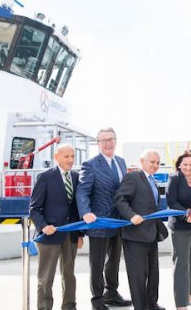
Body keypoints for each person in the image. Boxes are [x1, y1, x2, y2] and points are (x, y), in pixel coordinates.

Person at [76, 128, 132, 310]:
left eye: (111, 139)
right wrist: (85, 212)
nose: (108, 143)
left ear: (116, 141)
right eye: (104, 140)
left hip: (118, 221)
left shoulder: (121, 162)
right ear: (98, 143)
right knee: (97, 262)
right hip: (98, 221)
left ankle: (112, 293)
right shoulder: (90, 164)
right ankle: (97, 299)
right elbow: (82, 191)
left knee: (114, 260)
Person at [29, 144, 83, 310]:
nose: (70, 160)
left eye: (72, 156)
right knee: (46, 276)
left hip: (71, 234)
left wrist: (80, 233)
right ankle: (44, 307)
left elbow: (77, 208)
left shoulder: (76, 177)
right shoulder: (45, 177)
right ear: (57, 157)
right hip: (50, 234)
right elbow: (34, 208)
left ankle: (69, 305)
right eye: (66, 156)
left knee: (69, 274)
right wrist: (43, 226)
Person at [115, 149, 166, 310]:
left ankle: (151, 303)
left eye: (158, 163)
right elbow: (120, 200)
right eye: (152, 162)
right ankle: (140, 306)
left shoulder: (153, 180)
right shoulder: (133, 177)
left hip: (151, 233)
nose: (155, 165)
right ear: (142, 161)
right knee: (138, 275)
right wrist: (131, 216)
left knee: (153, 272)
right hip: (135, 235)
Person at [166, 150, 191, 310]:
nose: (188, 168)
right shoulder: (174, 178)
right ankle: (181, 303)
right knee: (181, 264)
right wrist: (185, 214)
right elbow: (171, 201)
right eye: (185, 165)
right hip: (180, 226)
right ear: (179, 165)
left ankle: (190, 295)